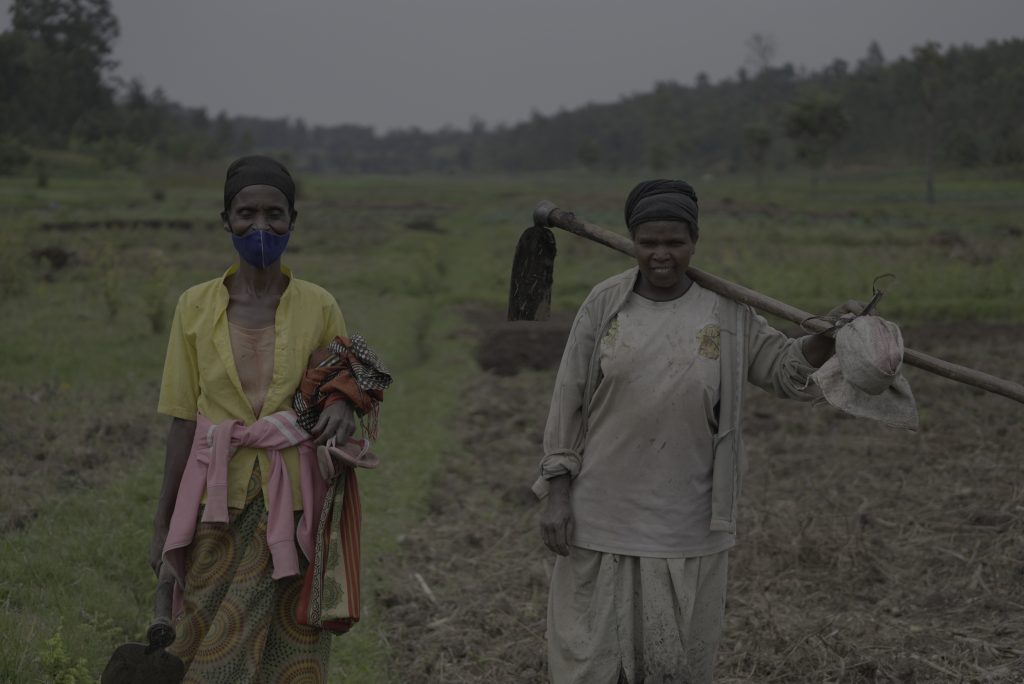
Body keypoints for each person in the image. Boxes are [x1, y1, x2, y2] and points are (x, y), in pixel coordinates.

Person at [535, 179, 854, 684]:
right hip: (601, 513)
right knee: (593, 661)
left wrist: (827, 337)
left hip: (686, 520)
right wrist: (556, 490)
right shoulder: (605, 303)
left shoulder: (726, 310)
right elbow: (568, 397)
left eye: (674, 243)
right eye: (649, 243)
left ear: (694, 241)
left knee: (670, 664)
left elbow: (786, 372)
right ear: (632, 242)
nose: (662, 255)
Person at [150, 155, 356, 682]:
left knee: (290, 657)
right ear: (226, 219)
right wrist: (163, 526)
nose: (260, 227)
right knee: (204, 651)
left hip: (295, 506)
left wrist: (339, 404)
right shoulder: (194, 307)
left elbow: (347, 382)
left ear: (293, 220)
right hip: (215, 507)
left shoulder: (319, 305)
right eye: (246, 213)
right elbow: (182, 422)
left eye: (274, 214)